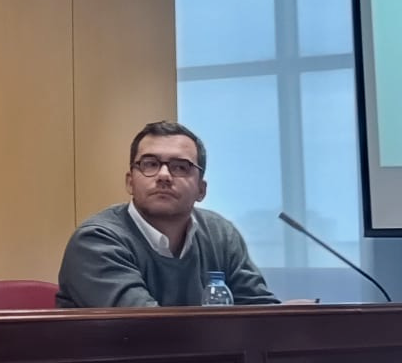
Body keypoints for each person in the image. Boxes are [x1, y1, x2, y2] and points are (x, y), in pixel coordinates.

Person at [56, 119, 278, 308]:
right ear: (130, 182)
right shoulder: (96, 240)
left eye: (180, 167)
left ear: (201, 190)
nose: (163, 175)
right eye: (150, 164)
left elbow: (261, 314)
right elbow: (145, 329)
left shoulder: (220, 235)